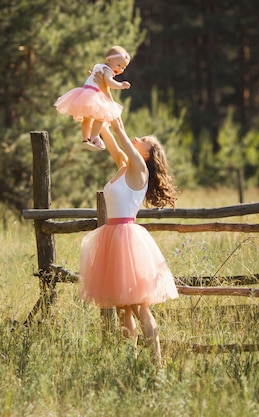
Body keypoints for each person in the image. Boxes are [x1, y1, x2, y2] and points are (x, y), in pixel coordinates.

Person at [78, 90, 179, 362]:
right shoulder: (124, 165)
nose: (139, 138)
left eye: (144, 140)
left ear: (148, 154)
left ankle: (157, 363)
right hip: (112, 237)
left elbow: (119, 129)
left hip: (127, 240)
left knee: (139, 306)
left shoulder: (139, 168)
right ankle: (129, 360)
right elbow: (108, 136)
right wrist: (94, 106)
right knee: (123, 308)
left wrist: (110, 104)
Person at [54, 45, 131, 152]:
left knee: (87, 119)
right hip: (94, 95)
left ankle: (86, 138)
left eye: (123, 67)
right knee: (101, 117)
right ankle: (95, 137)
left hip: (84, 93)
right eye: (119, 65)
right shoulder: (107, 70)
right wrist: (121, 85)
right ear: (109, 60)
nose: (120, 69)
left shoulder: (98, 67)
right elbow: (109, 82)